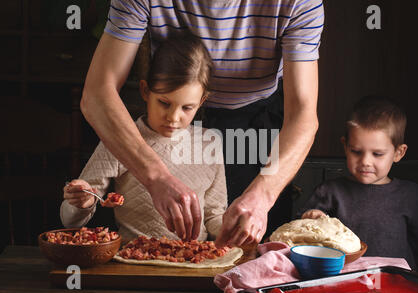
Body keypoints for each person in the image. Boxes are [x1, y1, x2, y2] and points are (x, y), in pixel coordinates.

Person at [80, 0, 324, 247]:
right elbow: (97, 95)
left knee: (250, 250)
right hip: (173, 103)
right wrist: (155, 175)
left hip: (255, 121)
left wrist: (263, 195)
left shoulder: (299, 3)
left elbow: (303, 116)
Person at [61, 34, 227, 243]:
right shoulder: (119, 138)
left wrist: (231, 231)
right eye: (164, 103)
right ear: (145, 91)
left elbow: (214, 214)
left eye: (187, 107)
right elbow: (70, 222)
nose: (173, 117)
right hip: (134, 260)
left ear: (202, 101)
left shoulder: (209, 143)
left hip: (195, 259)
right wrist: (80, 203)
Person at [298, 96, 418, 272]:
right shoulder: (330, 191)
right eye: (356, 151)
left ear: (398, 152)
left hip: (396, 282)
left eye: (377, 154)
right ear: (345, 146)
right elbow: (300, 234)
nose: (365, 161)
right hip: (343, 280)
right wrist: (311, 216)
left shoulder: (408, 193)